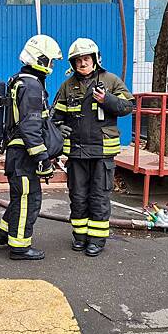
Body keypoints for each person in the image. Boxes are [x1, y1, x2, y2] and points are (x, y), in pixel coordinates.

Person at [53, 38, 134, 257]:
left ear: (95, 59)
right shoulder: (67, 86)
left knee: (99, 196)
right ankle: (80, 237)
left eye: (86, 59)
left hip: (102, 152)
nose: (82, 63)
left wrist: (107, 100)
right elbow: (55, 116)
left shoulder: (110, 80)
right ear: (73, 63)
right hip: (77, 152)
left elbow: (128, 106)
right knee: (78, 196)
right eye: (78, 60)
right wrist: (59, 128)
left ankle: (96, 240)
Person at [0, 35, 62, 260]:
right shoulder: (32, 85)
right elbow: (31, 127)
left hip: (17, 153)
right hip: (24, 155)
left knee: (19, 197)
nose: (51, 66)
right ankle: (20, 247)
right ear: (40, 59)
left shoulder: (19, 80)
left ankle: (3, 234)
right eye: (50, 61)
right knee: (29, 200)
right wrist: (42, 158)